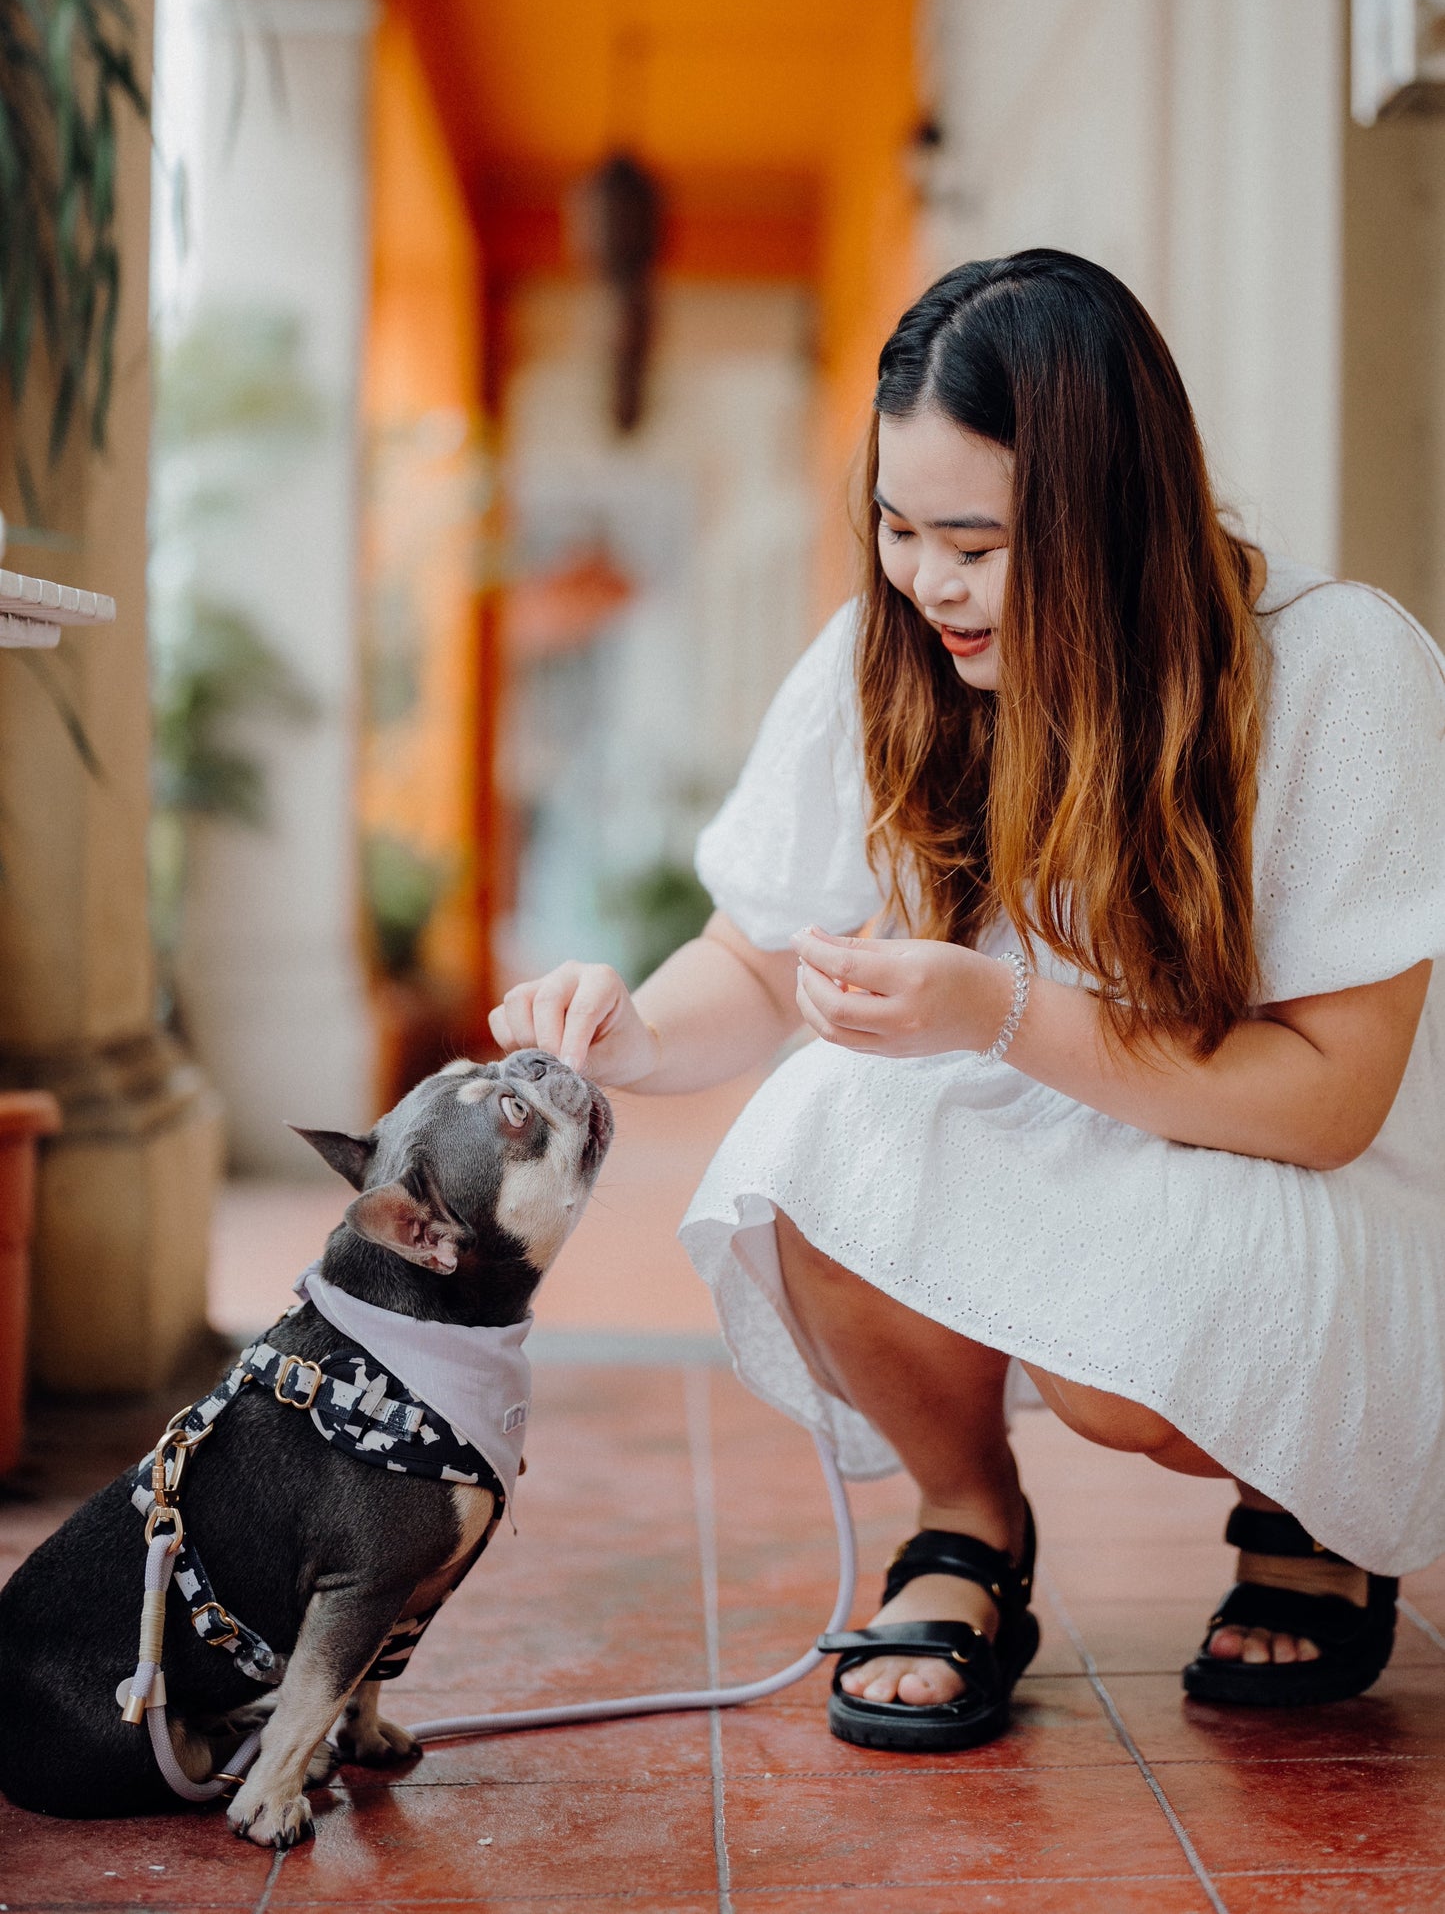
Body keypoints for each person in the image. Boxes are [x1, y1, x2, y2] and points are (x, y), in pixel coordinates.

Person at [489, 250, 1445, 1752]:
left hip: (1284, 1159)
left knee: (1119, 1375)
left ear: (1111, 518)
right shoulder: (892, 659)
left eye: (978, 544)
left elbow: (1326, 1099)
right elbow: (757, 955)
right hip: (1070, 1126)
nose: (927, 581)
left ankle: (1305, 1494)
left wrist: (992, 1013)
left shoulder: (1335, 667)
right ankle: (965, 1529)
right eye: (894, 525)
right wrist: (640, 1037)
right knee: (816, 1122)